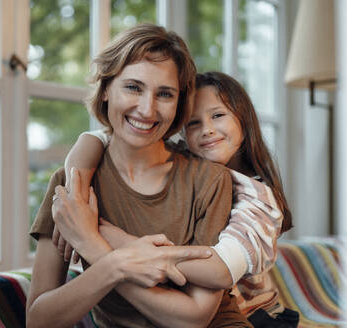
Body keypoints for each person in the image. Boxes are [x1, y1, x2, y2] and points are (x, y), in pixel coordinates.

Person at [27, 24, 251, 328]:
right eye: (133, 87)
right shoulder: (72, 187)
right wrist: (116, 265)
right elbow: (39, 321)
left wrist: (93, 242)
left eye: (165, 94)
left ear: (179, 103)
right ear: (106, 89)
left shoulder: (209, 181)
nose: (147, 109)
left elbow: (193, 319)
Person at [58, 71, 299, 327]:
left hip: (258, 315)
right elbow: (102, 138)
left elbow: (220, 271)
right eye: (193, 123)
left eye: (218, 115)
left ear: (244, 120)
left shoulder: (257, 198)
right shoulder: (189, 163)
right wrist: (77, 197)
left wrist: (115, 240)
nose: (206, 130)